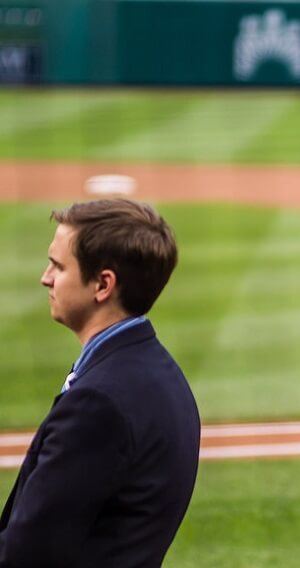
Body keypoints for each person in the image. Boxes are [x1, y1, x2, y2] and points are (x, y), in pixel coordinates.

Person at [0, 199, 200, 566]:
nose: (45, 277)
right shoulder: (159, 371)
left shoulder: (98, 402)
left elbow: (26, 555)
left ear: (103, 284)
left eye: (58, 266)